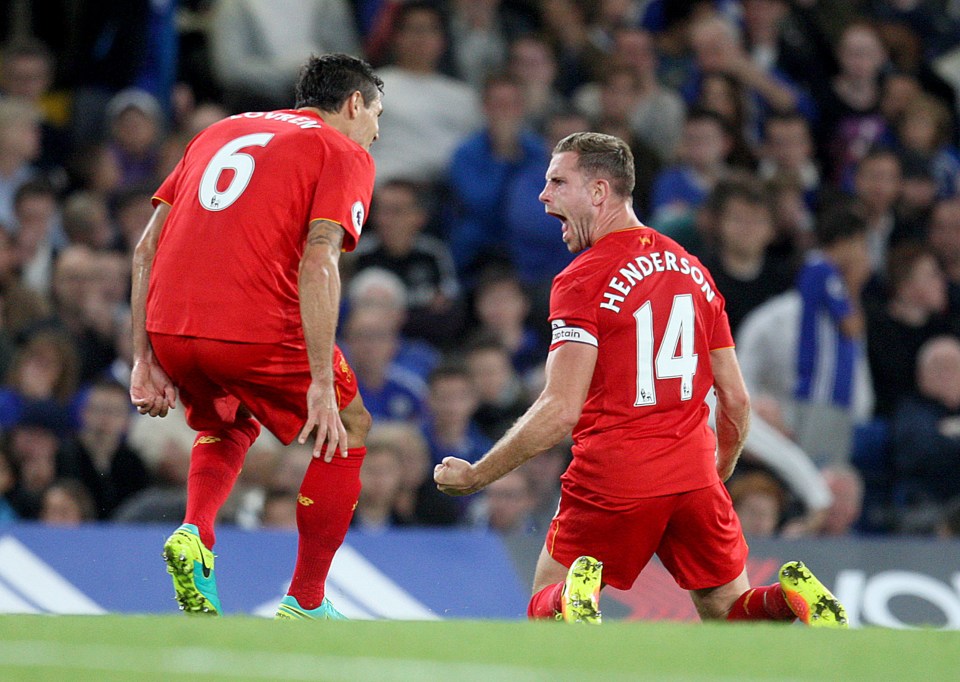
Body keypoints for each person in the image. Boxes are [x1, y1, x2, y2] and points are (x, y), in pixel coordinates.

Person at [434, 132, 847, 627]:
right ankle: (787, 599)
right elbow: (735, 398)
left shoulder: (581, 279)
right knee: (726, 610)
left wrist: (479, 474)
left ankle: (571, 596)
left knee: (545, 599)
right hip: (693, 471)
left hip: (617, 472)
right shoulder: (694, 272)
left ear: (598, 192)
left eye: (557, 182)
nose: (543, 195)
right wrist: (717, 469)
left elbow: (560, 409)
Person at [129, 54, 383, 620]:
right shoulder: (342, 151)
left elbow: (146, 247)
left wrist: (142, 356)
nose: (376, 132)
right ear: (354, 104)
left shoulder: (221, 130)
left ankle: (195, 532)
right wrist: (321, 381)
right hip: (255, 330)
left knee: (229, 416)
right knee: (351, 422)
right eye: (375, 116)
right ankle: (308, 601)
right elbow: (319, 259)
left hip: (171, 324)